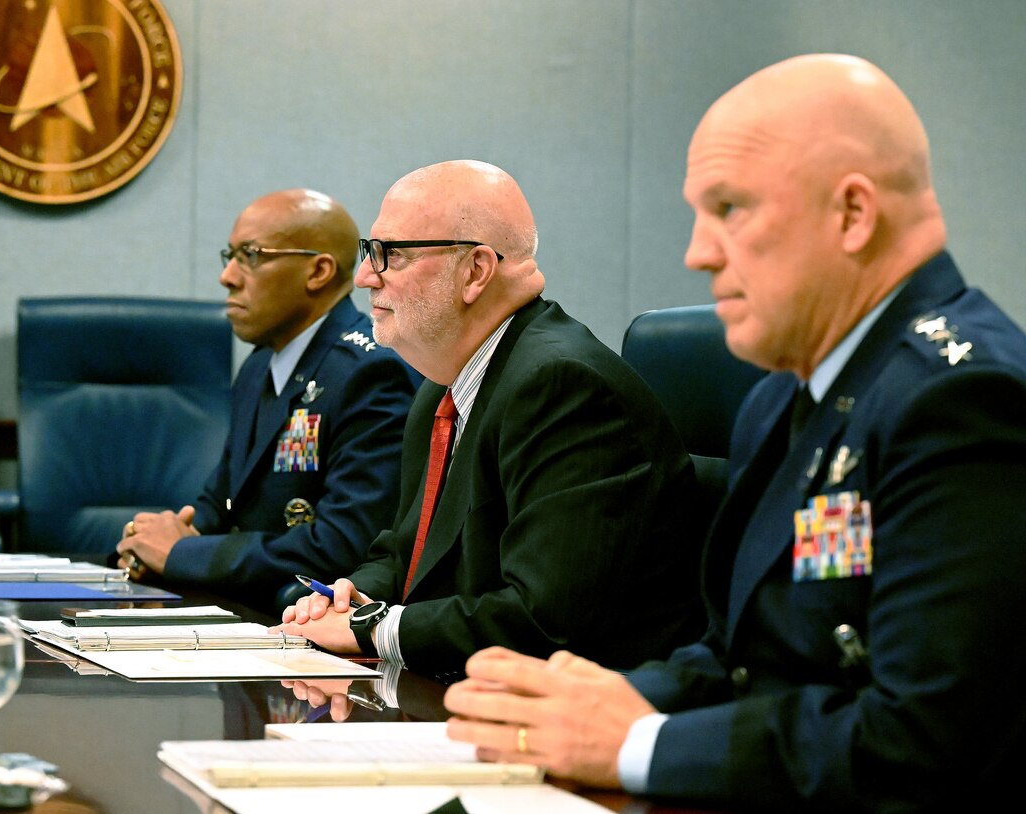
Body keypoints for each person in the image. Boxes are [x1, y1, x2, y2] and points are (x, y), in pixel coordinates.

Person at [443, 54, 1026, 810]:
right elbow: (737, 658)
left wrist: (635, 743)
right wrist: (600, 701)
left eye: (730, 209)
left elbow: (925, 744)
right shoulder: (785, 395)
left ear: (853, 214)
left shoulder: (963, 398)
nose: (698, 252)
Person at [275, 160, 703, 678]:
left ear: (475, 271)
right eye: (371, 252)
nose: (365, 276)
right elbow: (404, 554)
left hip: (570, 726)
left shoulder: (563, 386)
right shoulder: (445, 382)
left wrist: (372, 629)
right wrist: (353, 599)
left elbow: (542, 618)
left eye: (389, 255)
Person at [116, 189, 418, 613]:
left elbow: (343, 545)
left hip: (308, 630)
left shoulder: (370, 371)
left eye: (251, 255)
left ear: (318, 271)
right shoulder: (259, 365)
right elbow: (221, 502)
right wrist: (153, 541)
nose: (228, 276)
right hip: (243, 607)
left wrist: (181, 555)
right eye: (231, 256)